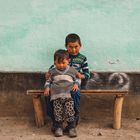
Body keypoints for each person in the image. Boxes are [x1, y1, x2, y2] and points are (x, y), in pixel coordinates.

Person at [45, 33, 90, 132]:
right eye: (70, 47)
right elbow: (53, 67)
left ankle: (74, 117)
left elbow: (87, 74)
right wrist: (48, 73)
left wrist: (80, 75)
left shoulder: (82, 58)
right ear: (66, 46)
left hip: (74, 84)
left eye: (76, 47)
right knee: (48, 95)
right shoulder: (63, 55)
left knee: (74, 92)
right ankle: (55, 121)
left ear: (80, 45)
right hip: (59, 83)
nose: (73, 49)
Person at [44, 49, 79, 137]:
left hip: (68, 96)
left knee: (70, 111)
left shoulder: (72, 70)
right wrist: (47, 87)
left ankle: (71, 127)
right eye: (58, 63)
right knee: (57, 112)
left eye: (63, 63)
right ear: (54, 62)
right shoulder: (52, 71)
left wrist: (76, 84)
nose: (61, 65)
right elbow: (48, 81)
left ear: (68, 61)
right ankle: (58, 127)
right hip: (56, 96)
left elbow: (77, 78)